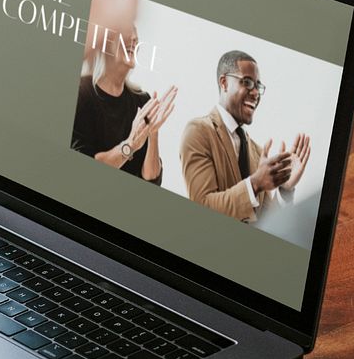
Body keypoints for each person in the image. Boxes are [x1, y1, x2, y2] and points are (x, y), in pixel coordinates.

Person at [179, 50, 310, 222]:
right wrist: (255, 184)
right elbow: (202, 206)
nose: (255, 93)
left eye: (258, 86)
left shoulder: (256, 151)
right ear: (224, 83)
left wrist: (285, 190)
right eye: (247, 82)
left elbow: (267, 224)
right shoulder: (198, 131)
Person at [71, 24, 176, 184]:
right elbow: (83, 169)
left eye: (136, 37)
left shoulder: (142, 100)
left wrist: (153, 134)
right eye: (127, 34)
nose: (134, 39)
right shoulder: (81, 92)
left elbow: (151, 180)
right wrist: (131, 144)